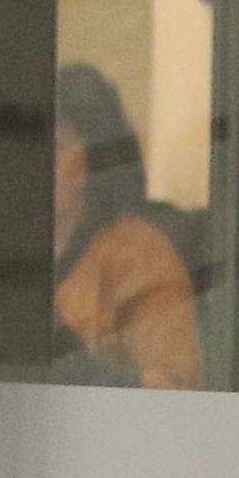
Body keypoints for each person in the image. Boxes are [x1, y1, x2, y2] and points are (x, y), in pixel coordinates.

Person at [49, 63, 201, 388]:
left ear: (92, 160)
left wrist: (83, 372)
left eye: (56, 145)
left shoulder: (140, 256)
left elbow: (173, 387)